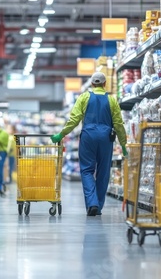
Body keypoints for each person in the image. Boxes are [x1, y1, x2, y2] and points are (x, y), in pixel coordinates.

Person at [51, 72, 128, 216]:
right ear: (105, 84)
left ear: (92, 84)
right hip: (106, 138)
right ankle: (98, 205)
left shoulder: (84, 97)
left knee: (87, 170)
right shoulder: (112, 100)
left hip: (88, 137)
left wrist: (61, 134)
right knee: (103, 172)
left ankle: (92, 203)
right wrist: (123, 144)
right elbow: (118, 124)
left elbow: (74, 119)